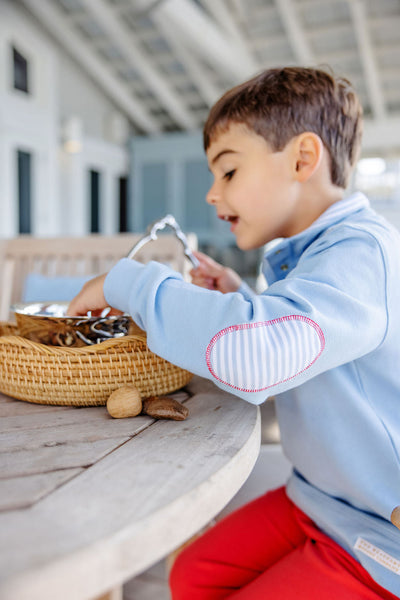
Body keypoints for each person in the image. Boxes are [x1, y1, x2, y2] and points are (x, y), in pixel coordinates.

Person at [68, 67, 400, 599]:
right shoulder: (310, 257)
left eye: (227, 172)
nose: (211, 193)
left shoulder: (362, 253)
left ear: (302, 159)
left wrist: (131, 282)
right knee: (192, 575)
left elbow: (256, 355)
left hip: (381, 535)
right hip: (322, 497)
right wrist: (240, 296)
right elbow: (297, 328)